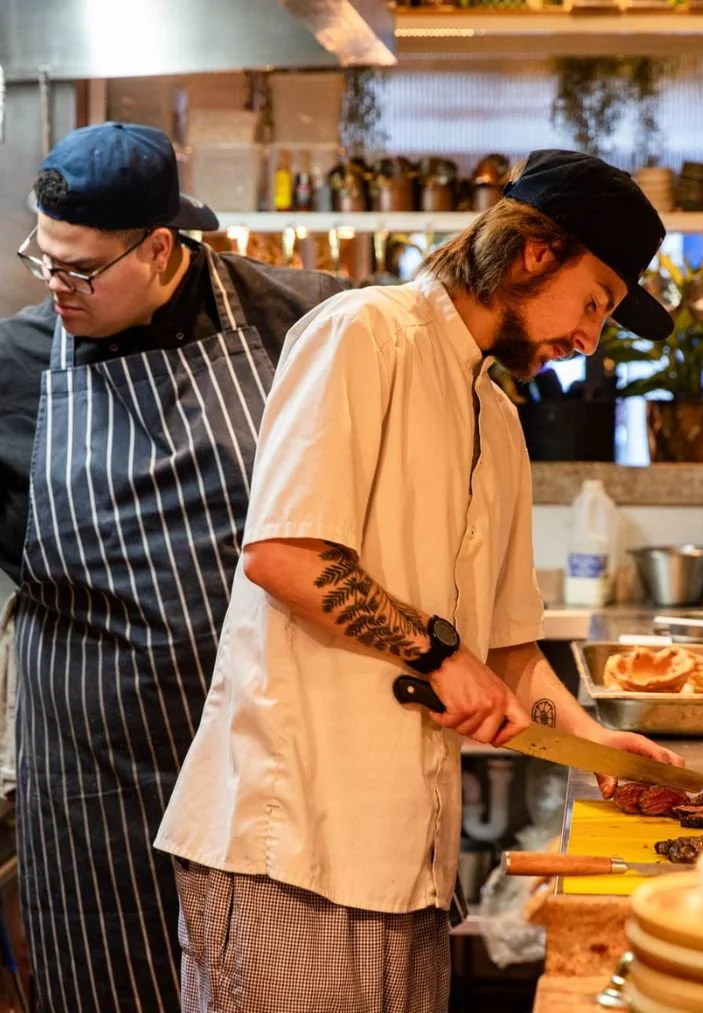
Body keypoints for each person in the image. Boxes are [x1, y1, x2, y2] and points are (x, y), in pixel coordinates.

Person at [155, 149, 684, 1013]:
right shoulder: (362, 333)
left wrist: (597, 750)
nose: (591, 338)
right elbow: (284, 553)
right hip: (293, 851)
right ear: (534, 253)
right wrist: (441, 658)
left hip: (409, 866)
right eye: (596, 302)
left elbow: (509, 653)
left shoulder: (500, 419)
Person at [0, 121, 347, 1013]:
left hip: (266, 766)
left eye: (82, 270)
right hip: (94, 783)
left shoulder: (306, 324)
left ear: (160, 248)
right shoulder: (15, 367)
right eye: (45, 258)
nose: (57, 287)